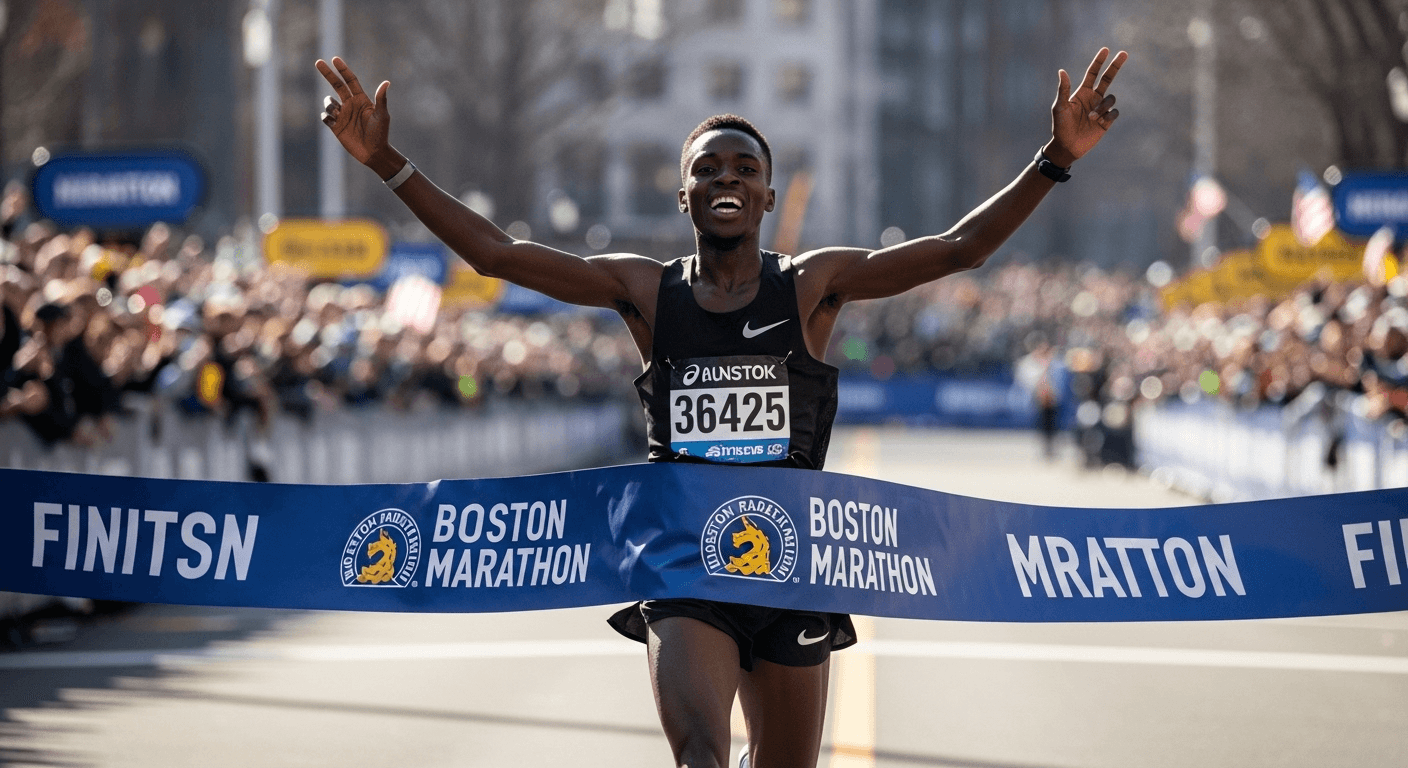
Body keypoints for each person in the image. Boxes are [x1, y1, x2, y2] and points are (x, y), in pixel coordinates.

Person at [316, 46, 1127, 768]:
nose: (726, 180)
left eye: (743, 169)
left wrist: (1056, 156)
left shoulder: (812, 284)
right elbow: (496, 256)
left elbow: (960, 250)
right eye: (709, 170)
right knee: (700, 753)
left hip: (795, 564)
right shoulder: (644, 290)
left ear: (768, 195)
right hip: (683, 562)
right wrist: (387, 161)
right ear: (684, 197)